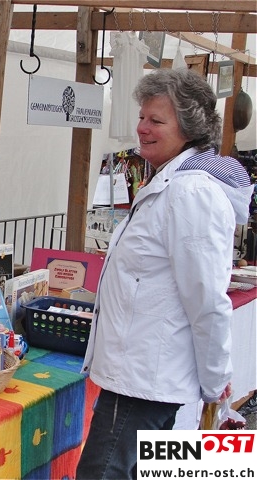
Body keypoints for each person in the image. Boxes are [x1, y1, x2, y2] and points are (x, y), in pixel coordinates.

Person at [76, 68, 253, 480]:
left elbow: (207, 299)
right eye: (142, 117)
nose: (142, 128)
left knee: (102, 472)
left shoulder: (191, 192)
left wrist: (216, 379)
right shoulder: (171, 182)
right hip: (138, 374)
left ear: (188, 128)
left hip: (143, 379)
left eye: (156, 120)